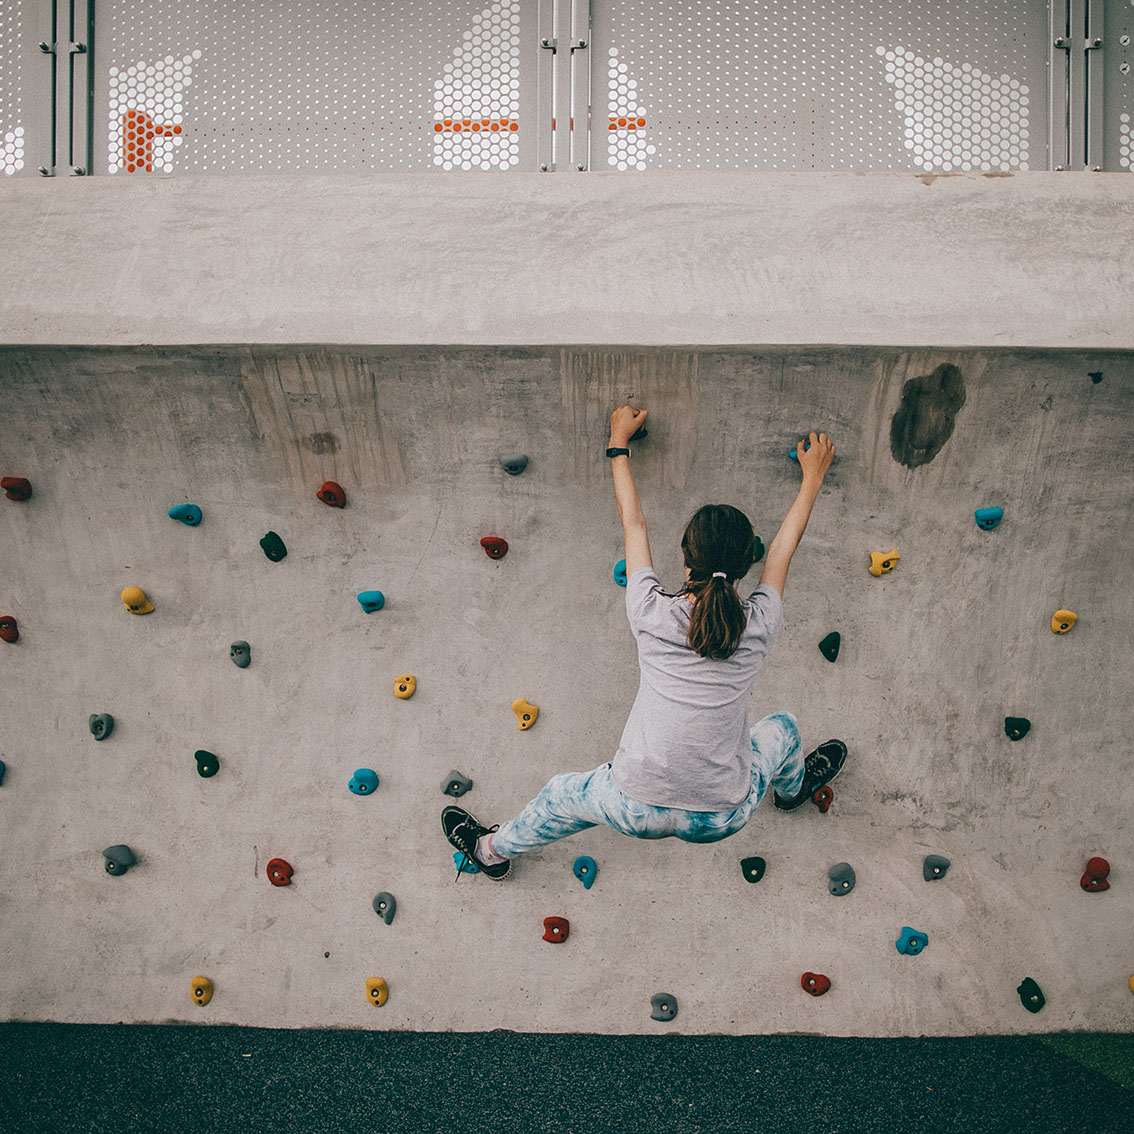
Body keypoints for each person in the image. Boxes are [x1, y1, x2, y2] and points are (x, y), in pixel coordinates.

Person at [442, 405, 845, 880]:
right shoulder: (760, 622)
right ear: (745, 566)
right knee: (785, 727)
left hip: (633, 803)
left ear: (683, 554)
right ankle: (792, 792)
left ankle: (489, 851)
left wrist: (619, 443)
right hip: (722, 816)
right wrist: (812, 477)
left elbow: (634, 526)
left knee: (558, 797)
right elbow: (782, 549)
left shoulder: (649, 611)